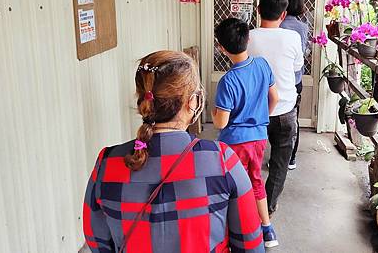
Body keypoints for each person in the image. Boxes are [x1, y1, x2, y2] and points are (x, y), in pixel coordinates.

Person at [83, 51, 265, 253]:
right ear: (192, 102)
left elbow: (97, 242)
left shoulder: (106, 163)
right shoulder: (222, 161)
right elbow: (250, 244)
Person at [211, 17, 281, 248]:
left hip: (234, 143)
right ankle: (267, 229)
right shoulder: (262, 65)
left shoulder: (227, 81)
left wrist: (213, 114)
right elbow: (275, 98)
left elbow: (221, 123)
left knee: (232, 185)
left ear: (221, 47)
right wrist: (262, 119)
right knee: (255, 180)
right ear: (248, 39)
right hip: (259, 137)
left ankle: (235, 231)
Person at [247, 0, 304, 216]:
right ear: (283, 15)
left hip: (254, 111)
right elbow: (297, 67)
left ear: (258, 11)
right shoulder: (292, 37)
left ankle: (249, 203)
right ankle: (267, 208)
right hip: (285, 110)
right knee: (280, 162)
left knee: (252, 160)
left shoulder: (248, 36)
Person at [279, 0, 310, 171]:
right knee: (293, 118)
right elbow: (303, 53)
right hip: (295, 79)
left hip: (277, 79)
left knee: (274, 117)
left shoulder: (278, 26)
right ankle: (291, 158)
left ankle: (278, 154)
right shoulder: (303, 27)